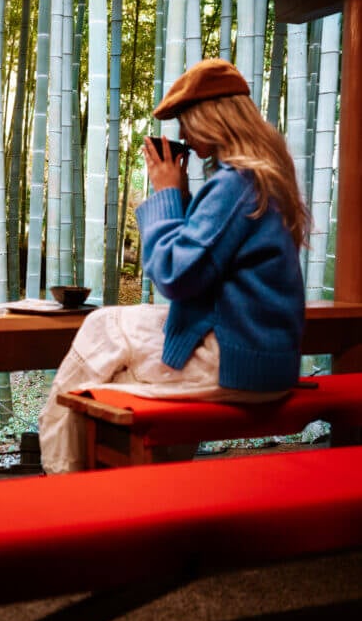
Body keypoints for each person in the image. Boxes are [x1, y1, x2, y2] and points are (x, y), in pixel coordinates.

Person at [39, 58, 310, 473]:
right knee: (109, 385)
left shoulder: (236, 184)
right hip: (267, 360)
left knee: (100, 332)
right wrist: (180, 198)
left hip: (235, 362)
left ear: (211, 118)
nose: (182, 135)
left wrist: (166, 195)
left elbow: (176, 276)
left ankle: (60, 484)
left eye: (186, 121)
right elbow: (203, 270)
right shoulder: (267, 179)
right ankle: (126, 495)